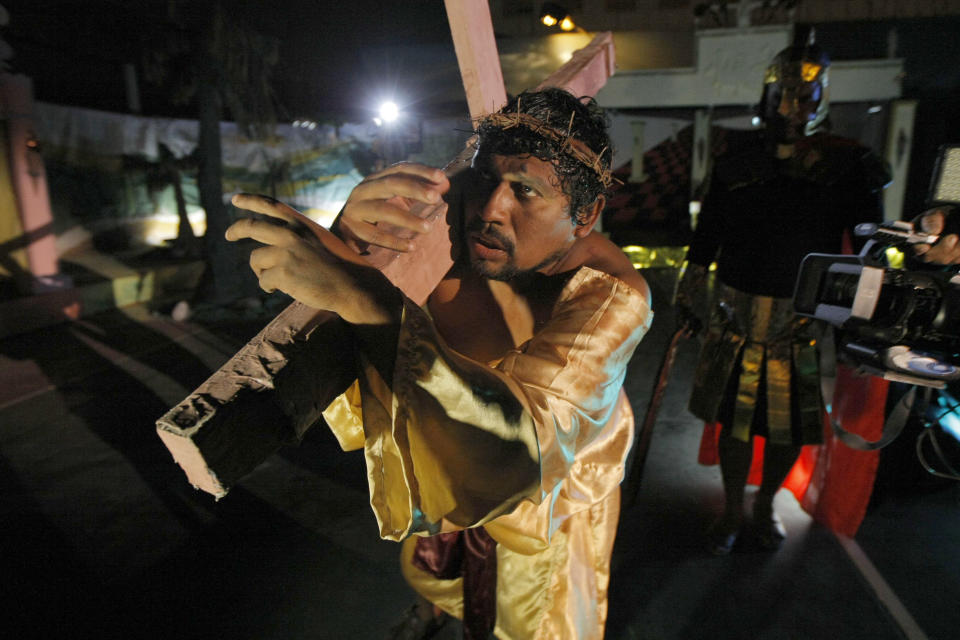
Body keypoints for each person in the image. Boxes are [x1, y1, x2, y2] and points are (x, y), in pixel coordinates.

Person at [224, 88, 652, 640]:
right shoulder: (458, 216)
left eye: (526, 190)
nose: (492, 208)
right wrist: (355, 239)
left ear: (586, 214)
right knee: (435, 567)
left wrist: (365, 302)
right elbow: (379, 268)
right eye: (485, 180)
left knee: (539, 620)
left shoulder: (613, 296)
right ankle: (434, 611)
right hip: (442, 433)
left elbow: (528, 443)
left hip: (547, 498)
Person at [674, 38, 892, 555]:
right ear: (769, 97)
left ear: (823, 98)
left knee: (787, 427)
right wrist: (691, 285)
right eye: (786, 94)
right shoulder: (737, 161)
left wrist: (866, 312)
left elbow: (868, 245)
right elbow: (708, 235)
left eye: (807, 94)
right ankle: (732, 507)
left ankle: (766, 503)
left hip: (800, 320)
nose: (795, 105)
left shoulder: (850, 165)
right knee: (733, 421)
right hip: (736, 312)